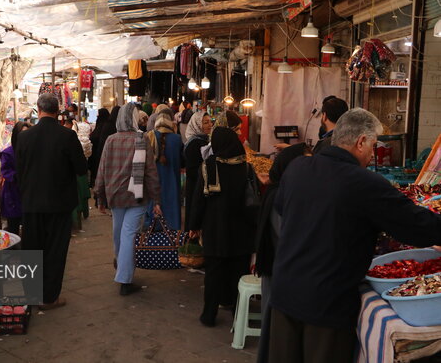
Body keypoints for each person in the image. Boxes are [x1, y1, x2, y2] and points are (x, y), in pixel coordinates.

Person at [268, 108, 441, 363]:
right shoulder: (363, 182)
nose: (372, 154)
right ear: (361, 141)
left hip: (284, 292)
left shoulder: (297, 168)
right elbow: (415, 225)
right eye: (372, 146)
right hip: (326, 303)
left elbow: (284, 208)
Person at [15, 93, 87, 310]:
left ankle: (30, 294)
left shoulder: (24, 137)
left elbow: (19, 170)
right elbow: (82, 169)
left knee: (32, 249)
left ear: (38, 109)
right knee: (55, 250)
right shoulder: (66, 136)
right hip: (59, 203)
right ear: (58, 110)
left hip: (31, 202)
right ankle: (49, 297)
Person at [188, 125, 258, 327]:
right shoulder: (246, 166)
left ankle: (209, 314)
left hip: (215, 228)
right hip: (242, 229)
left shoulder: (209, 165)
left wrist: (194, 225)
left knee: (214, 274)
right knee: (238, 271)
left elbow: (199, 199)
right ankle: (237, 311)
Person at [95, 103, 161, 295]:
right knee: (128, 234)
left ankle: (121, 261)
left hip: (115, 194)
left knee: (119, 232)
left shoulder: (110, 140)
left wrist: (100, 196)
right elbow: (151, 173)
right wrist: (156, 199)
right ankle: (124, 279)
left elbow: (102, 168)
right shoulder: (141, 139)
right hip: (137, 195)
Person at [254, 142, 311, 363]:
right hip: (280, 273)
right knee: (276, 333)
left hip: (279, 271)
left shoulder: (283, 190)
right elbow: (286, 237)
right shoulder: (280, 195)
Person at [145, 110, 183, 230]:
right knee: (171, 215)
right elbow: (182, 162)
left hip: (153, 183)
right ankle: (172, 242)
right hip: (172, 183)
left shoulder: (149, 137)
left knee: (154, 215)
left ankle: (153, 241)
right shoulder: (177, 139)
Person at [0, 121, 31, 235]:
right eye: (22, 134)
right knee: (13, 229)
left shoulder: (33, 152)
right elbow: (5, 171)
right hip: (12, 195)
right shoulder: (7, 153)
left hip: (29, 195)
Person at [183, 112, 212, 230]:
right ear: (197, 125)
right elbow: (193, 171)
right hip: (195, 187)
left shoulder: (202, 140)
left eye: (210, 121)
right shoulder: (195, 144)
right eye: (206, 123)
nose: (210, 125)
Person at [88, 108, 110, 189]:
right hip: (97, 152)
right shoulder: (104, 125)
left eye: (98, 114)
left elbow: (96, 137)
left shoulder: (104, 126)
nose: (97, 115)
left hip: (99, 153)